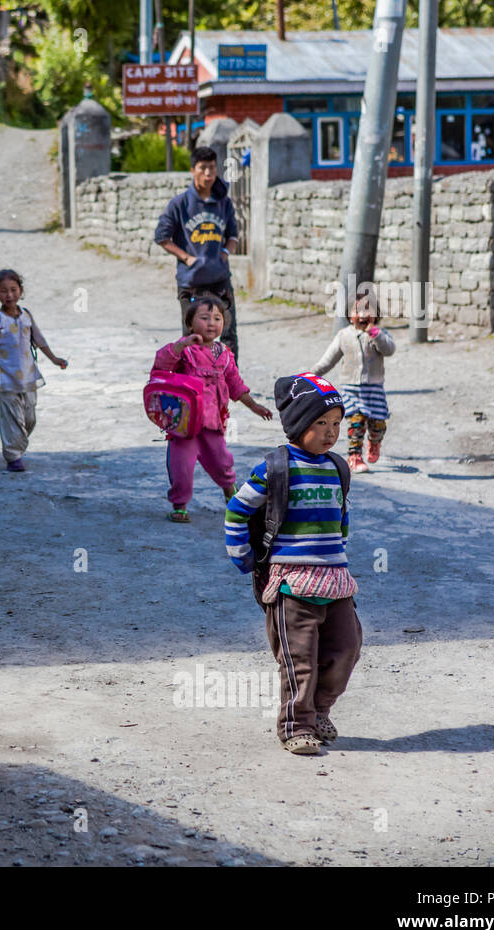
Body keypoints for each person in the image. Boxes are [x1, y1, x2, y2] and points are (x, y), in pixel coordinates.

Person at [224, 374, 362, 756]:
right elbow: (237, 510)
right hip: (291, 583)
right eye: (321, 423)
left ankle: (319, 709)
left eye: (337, 423)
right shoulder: (275, 468)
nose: (331, 432)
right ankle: (296, 725)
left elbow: (341, 514)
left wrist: (340, 551)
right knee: (299, 659)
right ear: (298, 424)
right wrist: (241, 555)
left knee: (346, 648)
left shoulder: (337, 468)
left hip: (335, 579)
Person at [152, 295, 272, 522]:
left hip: (213, 423)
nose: (211, 323)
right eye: (204, 317)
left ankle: (230, 491)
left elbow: (236, 384)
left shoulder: (225, 355)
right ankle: (180, 505)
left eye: (217, 318)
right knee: (182, 468)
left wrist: (254, 405)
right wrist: (181, 345)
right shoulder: (184, 351)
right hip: (184, 423)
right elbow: (161, 363)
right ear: (190, 323)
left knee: (222, 463)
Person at [155, 145, 240, 361]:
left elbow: (233, 235)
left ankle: (229, 385)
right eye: (203, 168)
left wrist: (225, 254)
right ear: (193, 170)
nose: (209, 174)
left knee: (228, 333)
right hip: (191, 281)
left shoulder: (223, 203)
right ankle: (193, 386)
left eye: (212, 168)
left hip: (220, 279)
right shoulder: (180, 204)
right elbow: (162, 237)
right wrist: (186, 258)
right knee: (192, 337)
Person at [0, 269, 67, 472]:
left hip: (28, 377)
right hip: (6, 379)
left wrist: (54, 359)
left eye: (13, 290)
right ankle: (13, 457)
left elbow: (38, 339)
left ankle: (17, 445)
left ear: (21, 291)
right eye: (3, 291)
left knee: (29, 418)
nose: (9, 295)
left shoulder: (26, 315)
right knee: (11, 419)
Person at [310, 290, 396, 473]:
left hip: (374, 389)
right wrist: (313, 374)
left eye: (368, 309)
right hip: (351, 389)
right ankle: (354, 456)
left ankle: (375, 441)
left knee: (378, 423)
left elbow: (389, 350)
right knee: (356, 422)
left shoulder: (380, 334)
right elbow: (329, 359)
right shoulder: (343, 336)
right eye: (358, 310)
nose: (363, 315)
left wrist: (375, 334)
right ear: (350, 316)